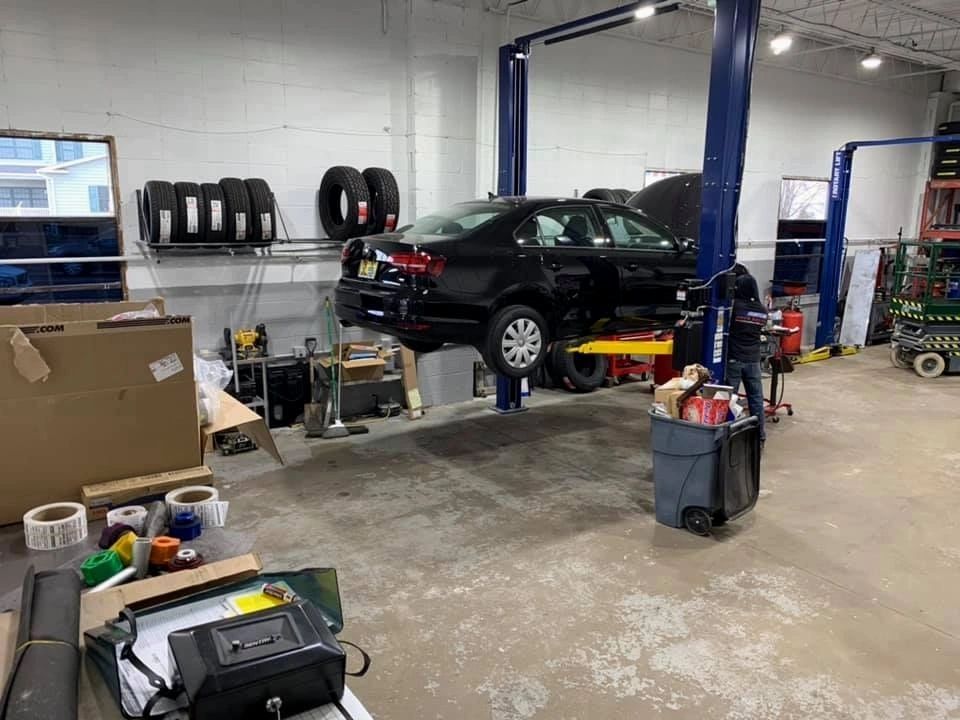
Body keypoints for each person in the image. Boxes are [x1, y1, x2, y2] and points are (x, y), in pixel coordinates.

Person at [727, 267, 768, 443]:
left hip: (734, 359)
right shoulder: (762, 310)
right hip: (753, 360)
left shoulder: (734, 308)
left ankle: (727, 434)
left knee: (729, 399)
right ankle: (759, 435)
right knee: (756, 399)